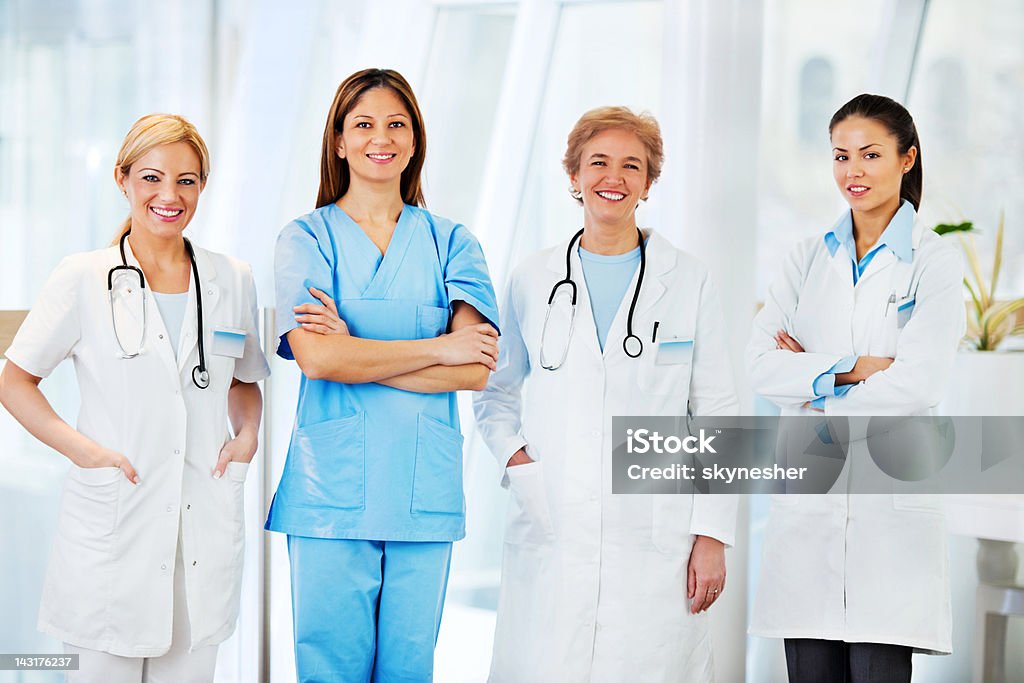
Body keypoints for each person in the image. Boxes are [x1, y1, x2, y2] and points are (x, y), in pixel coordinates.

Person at [472, 106, 739, 682]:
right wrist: (518, 460)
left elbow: (717, 412)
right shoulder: (533, 277)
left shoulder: (688, 279)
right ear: (573, 175)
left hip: (655, 529)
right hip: (554, 517)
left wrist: (713, 533)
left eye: (631, 165)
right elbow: (495, 391)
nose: (612, 177)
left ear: (648, 182)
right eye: (598, 162)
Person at [0, 113, 269, 682]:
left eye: (187, 181)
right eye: (151, 178)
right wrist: (85, 453)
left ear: (202, 185)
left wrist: (246, 437)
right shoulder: (83, 277)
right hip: (114, 528)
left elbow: (243, 380)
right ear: (123, 179)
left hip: (202, 528)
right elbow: (15, 381)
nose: (169, 195)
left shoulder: (232, 278)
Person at [267, 68, 500, 682]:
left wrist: (359, 353)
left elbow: (476, 371)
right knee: (330, 672)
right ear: (338, 141)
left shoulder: (454, 243)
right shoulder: (306, 239)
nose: (382, 137)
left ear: (416, 139)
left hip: (421, 494)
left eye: (397, 124)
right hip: (329, 498)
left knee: (409, 670)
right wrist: (438, 348)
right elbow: (318, 359)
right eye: (364, 124)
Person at [747, 93, 965, 682]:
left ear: (907, 158)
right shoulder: (804, 260)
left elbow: (921, 381)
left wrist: (812, 386)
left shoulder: (934, 262)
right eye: (841, 156)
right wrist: (854, 367)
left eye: (870, 155)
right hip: (809, 518)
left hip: (888, 519)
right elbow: (760, 365)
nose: (853, 171)